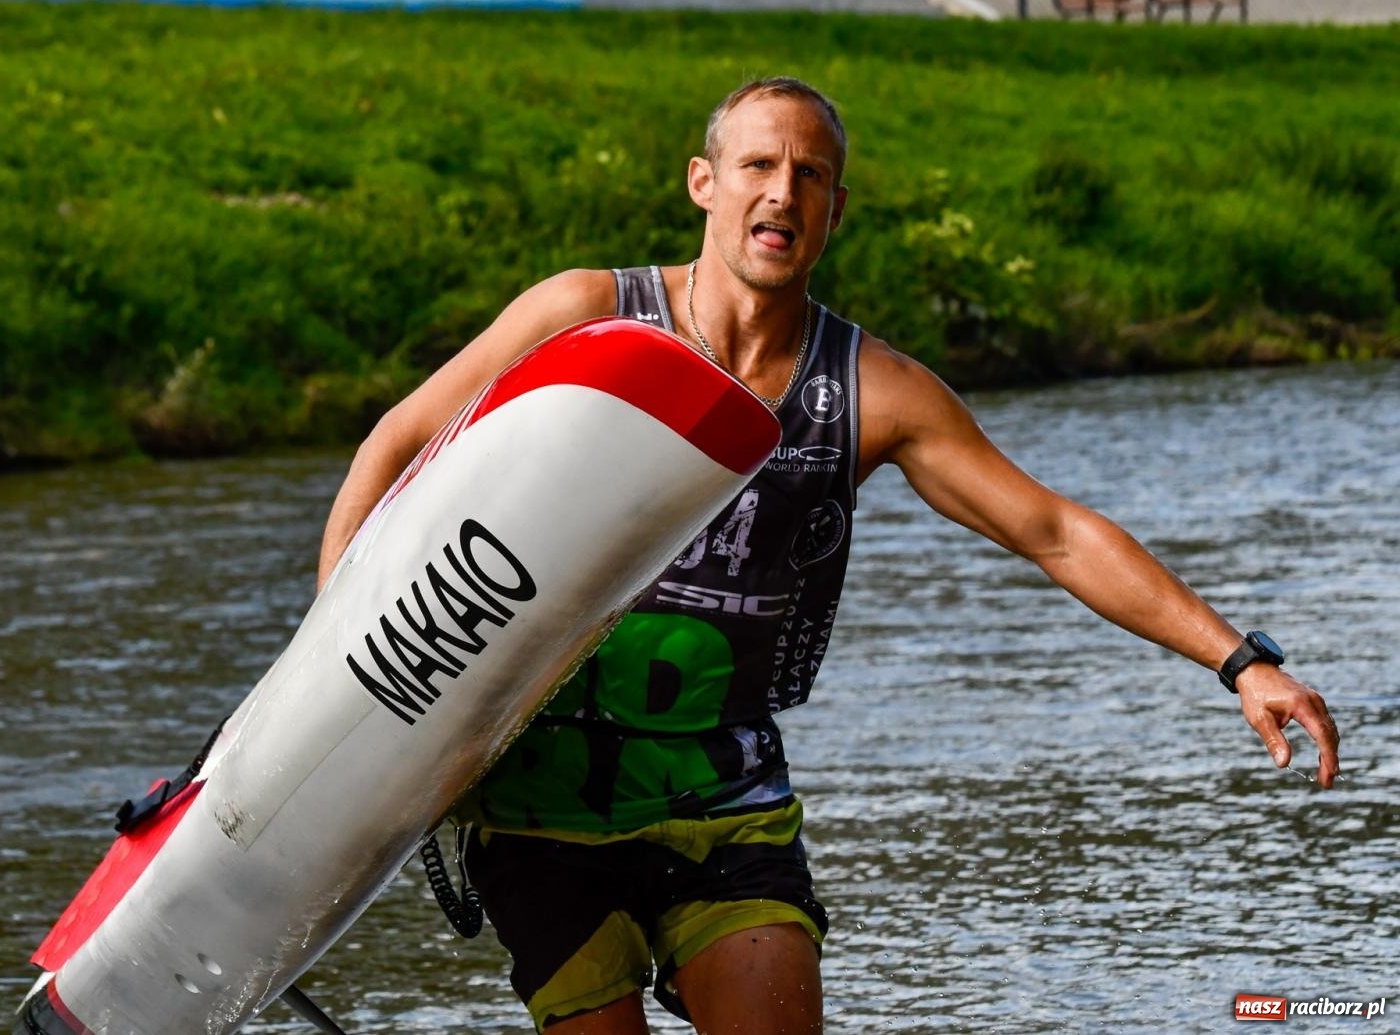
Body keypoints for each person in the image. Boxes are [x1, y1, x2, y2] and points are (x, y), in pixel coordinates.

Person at [316, 78, 1340, 1035]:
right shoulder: (583, 312)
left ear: (834, 210)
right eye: (759, 165)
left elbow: (1054, 531)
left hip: (724, 806)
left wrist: (1237, 660)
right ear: (703, 183)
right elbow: (396, 446)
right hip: (538, 807)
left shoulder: (875, 392)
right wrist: (333, 661)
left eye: (809, 175)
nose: (782, 191)